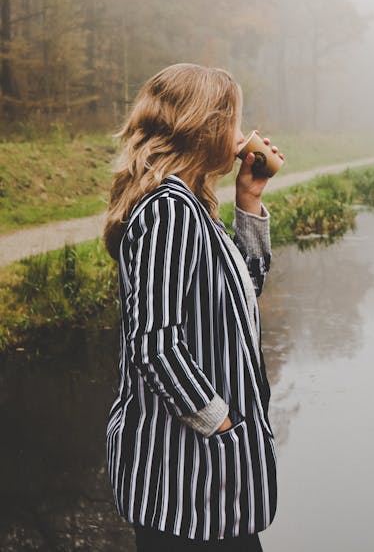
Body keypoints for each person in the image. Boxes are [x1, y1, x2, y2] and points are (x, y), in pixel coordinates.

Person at [103, 63, 284, 551]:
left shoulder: (194, 207)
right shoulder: (169, 210)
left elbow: (242, 296)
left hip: (208, 485)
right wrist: (219, 422)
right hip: (185, 483)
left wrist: (247, 200)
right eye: (234, 123)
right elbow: (155, 344)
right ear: (205, 127)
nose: (245, 137)